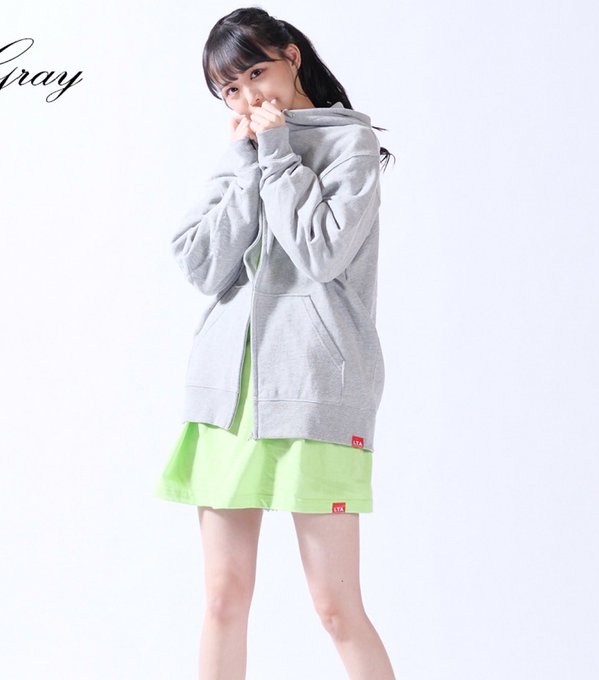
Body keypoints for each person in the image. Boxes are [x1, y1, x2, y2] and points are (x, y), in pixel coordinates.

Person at [154, 7, 397, 679]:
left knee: (336, 609)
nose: (246, 97)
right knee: (223, 601)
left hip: (315, 394)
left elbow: (322, 254)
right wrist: (248, 161)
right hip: (227, 400)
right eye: (229, 90)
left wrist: (279, 153)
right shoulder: (247, 152)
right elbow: (203, 264)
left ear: (292, 57)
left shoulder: (349, 144)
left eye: (255, 73)